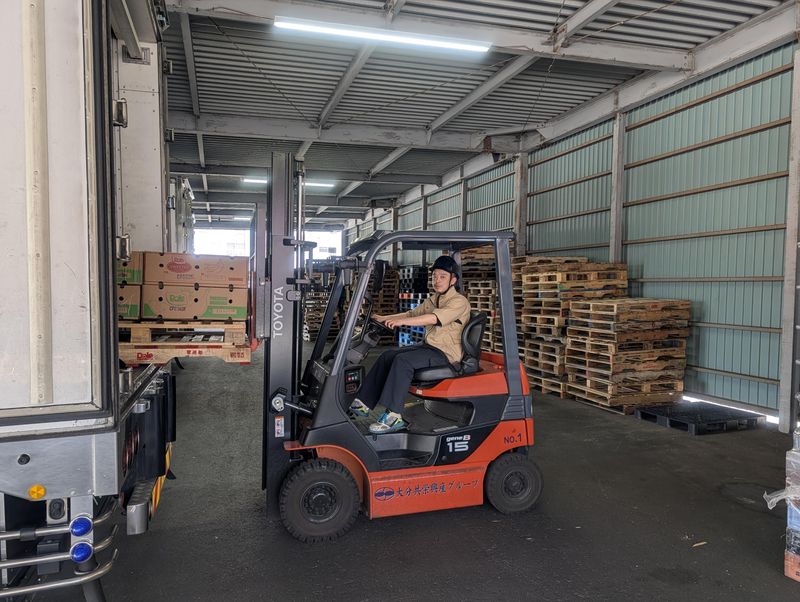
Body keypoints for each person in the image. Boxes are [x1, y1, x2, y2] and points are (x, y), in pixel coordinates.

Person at [350, 255, 471, 433]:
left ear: (453, 280)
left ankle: (394, 416)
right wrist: (382, 318)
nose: (437, 280)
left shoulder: (459, 302)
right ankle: (363, 404)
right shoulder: (434, 299)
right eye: (435, 276)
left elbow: (433, 318)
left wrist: (400, 323)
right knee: (388, 356)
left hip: (445, 354)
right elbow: (411, 314)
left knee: (403, 362)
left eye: (442, 276)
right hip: (430, 347)